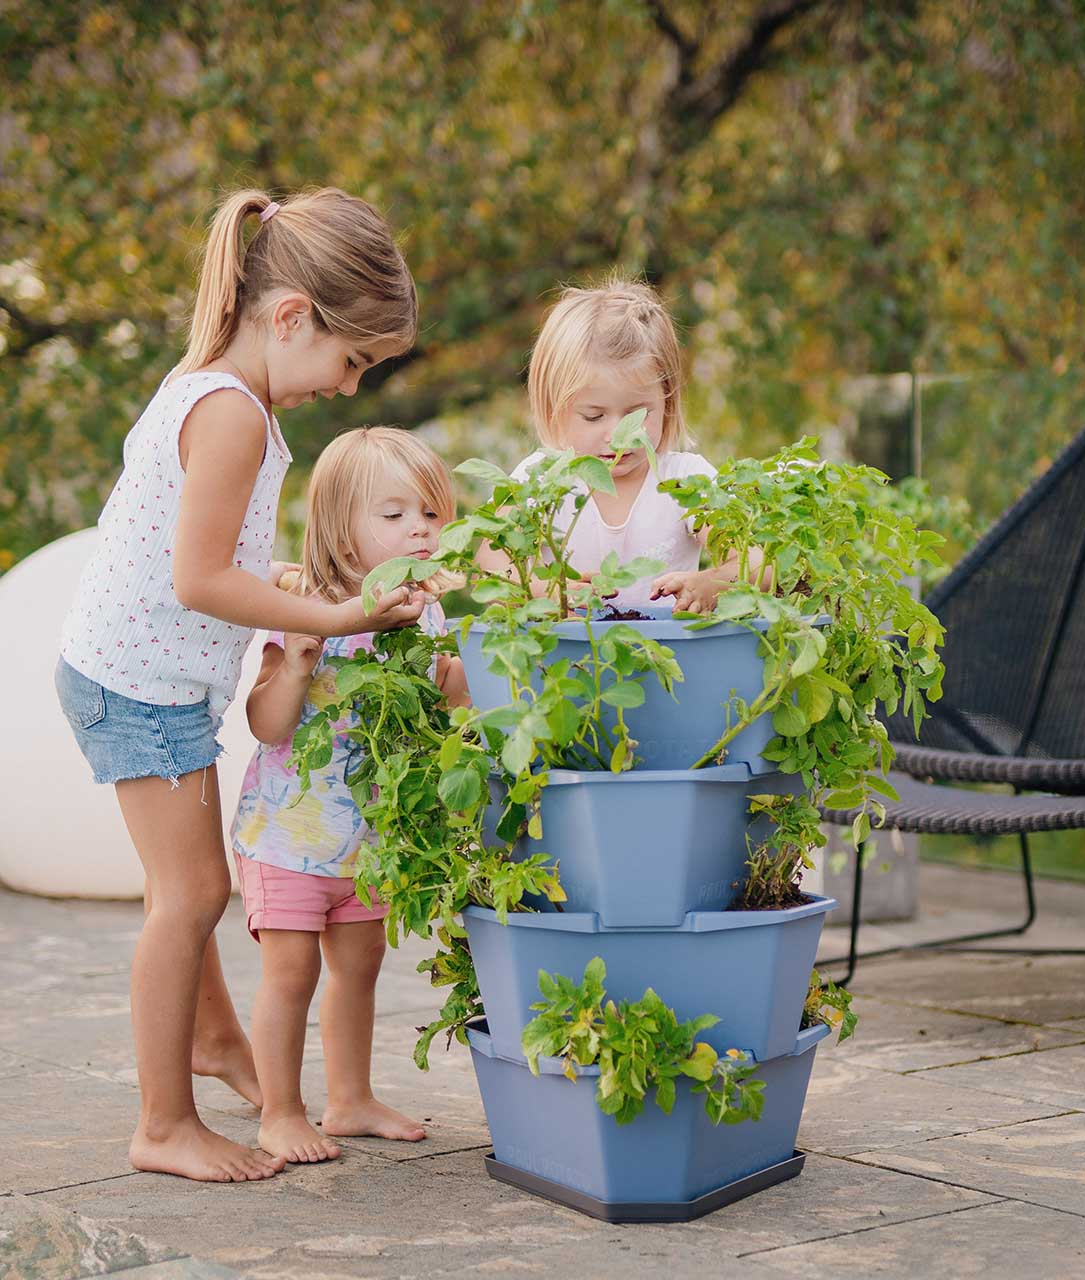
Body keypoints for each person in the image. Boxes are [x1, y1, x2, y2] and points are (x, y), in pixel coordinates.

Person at [54, 187, 423, 1183]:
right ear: (291, 316)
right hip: (135, 686)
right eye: (351, 360)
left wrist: (282, 587)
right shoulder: (232, 416)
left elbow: (217, 557)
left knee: (190, 884)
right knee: (193, 894)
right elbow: (199, 579)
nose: (348, 387)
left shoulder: (223, 390)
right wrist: (339, 616)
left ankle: (217, 1042)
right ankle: (162, 1121)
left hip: (148, 679)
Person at [232, 427, 465, 1163]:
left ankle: (350, 1098)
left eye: (430, 512)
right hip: (289, 837)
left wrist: (474, 664)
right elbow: (265, 723)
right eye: (394, 515)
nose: (418, 529)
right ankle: (280, 1110)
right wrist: (298, 663)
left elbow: (447, 700)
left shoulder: (423, 613)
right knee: (291, 974)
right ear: (339, 527)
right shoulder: (306, 604)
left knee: (360, 968)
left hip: (371, 840)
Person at [492, 277, 743, 612]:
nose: (617, 436)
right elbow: (493, 564)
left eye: (636, 415)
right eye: (594, 416)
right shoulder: (541, 479)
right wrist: (543, 591)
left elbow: (756, 560)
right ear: (554, 409)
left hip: (672, 658)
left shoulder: (686, 481)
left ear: (666, 402)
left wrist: (714, 582)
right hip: (568, 659)